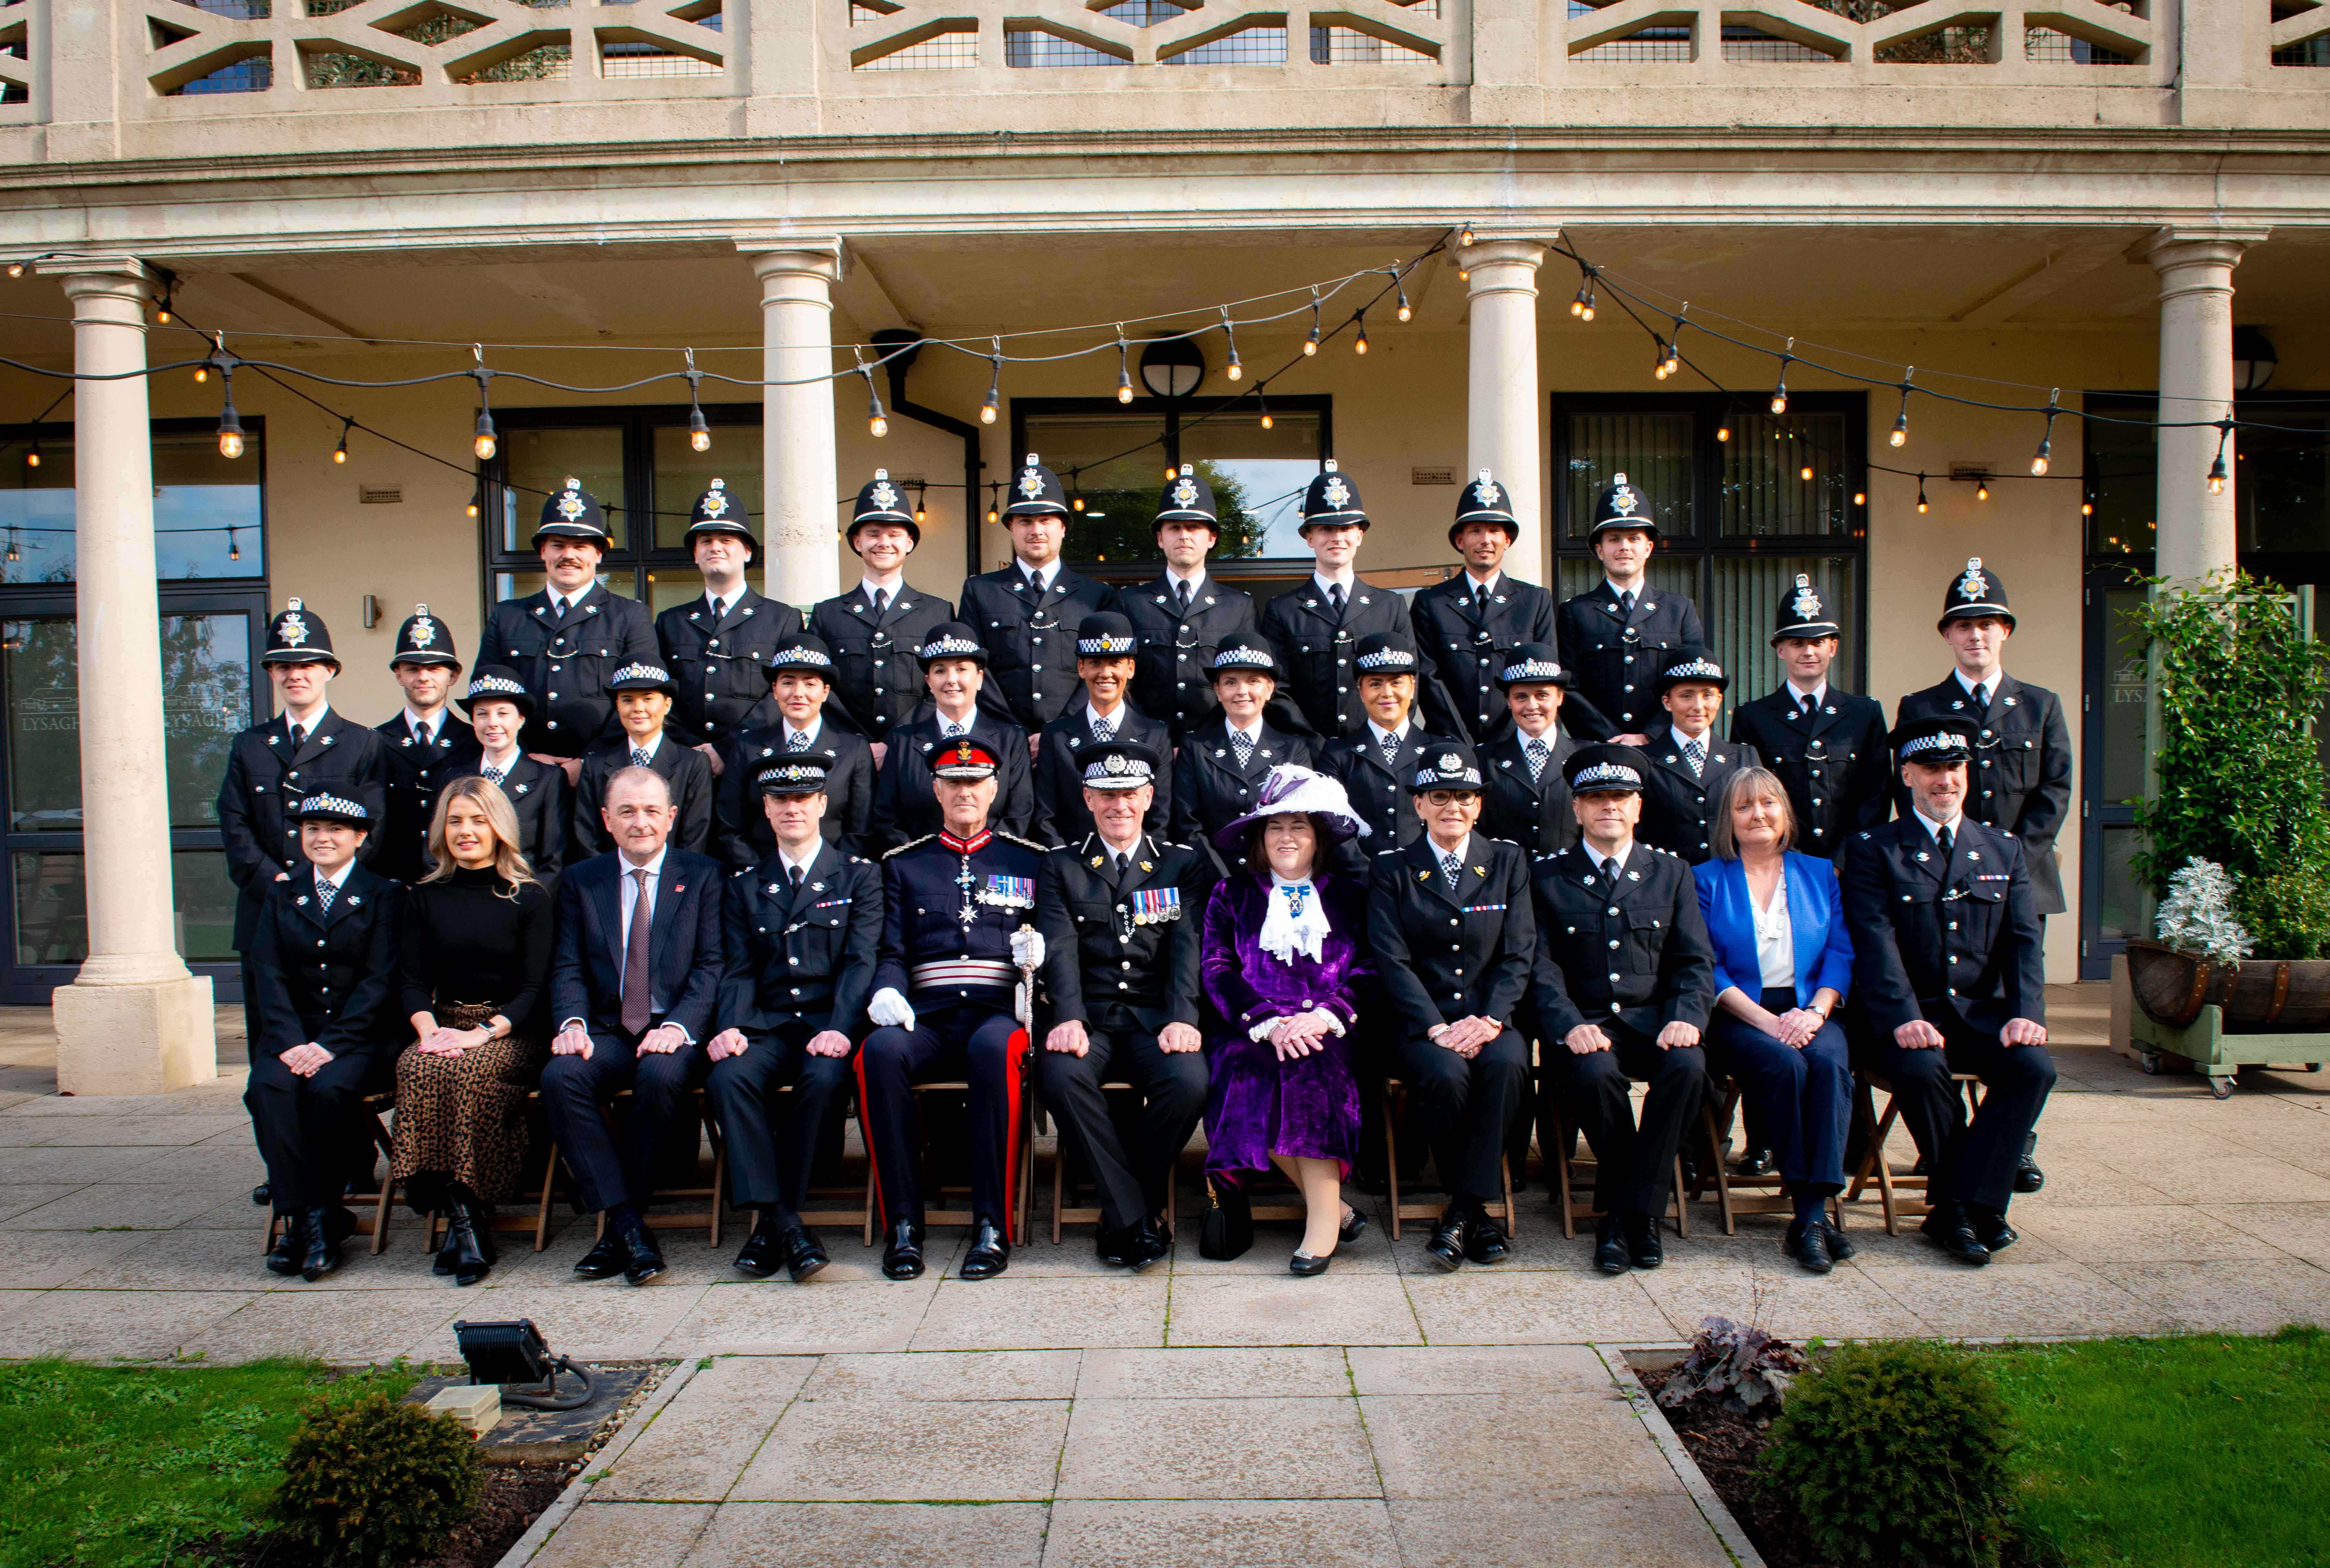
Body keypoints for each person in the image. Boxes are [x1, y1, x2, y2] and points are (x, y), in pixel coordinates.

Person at [1843, 717, 2053, 1267]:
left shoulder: (2002, 849)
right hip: (1902, 1018)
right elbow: (1875, 943)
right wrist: (1904, 1018)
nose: (1945, 781)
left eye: (1954, 768)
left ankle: (1958, 1206)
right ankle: (1974, 1210)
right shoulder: (1875, 849)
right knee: (1920, 1068)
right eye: (1932, 769)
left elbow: (2023, 942)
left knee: (2035, 1068)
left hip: (1982, 1018)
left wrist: (2025, 1012)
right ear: (1908, 774)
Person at [1892, 558, 2067, 1195]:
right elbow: (1905, 791)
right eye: (1964, 625)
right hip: (1934, 886)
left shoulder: (2041, 705)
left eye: (1988, 624)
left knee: (2014, 1018)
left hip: (2017, 886)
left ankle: (2012, 1143)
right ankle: (1962, 1142)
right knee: (1946, 1005)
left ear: (2005, 632)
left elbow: (2055, 790)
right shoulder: (1923, 705)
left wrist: (2005, 862)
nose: (1976, 635)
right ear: (1948, 635)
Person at [858, 738, 1047, 1282]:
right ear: (937, 791)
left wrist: (1042, 958)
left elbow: (1052, 934)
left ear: (994, 789)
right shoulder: (905, 864)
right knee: (879, 1052)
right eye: (954, 783)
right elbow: (891, 950)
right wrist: (887, 990)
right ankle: (903, 1226)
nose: (966, 792)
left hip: (997, 1012)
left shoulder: (1027, 859)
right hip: (928, 1017)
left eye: (976, 783)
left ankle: (992, 1226)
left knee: (995, 1050)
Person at [1529, 743, 1715, 1275]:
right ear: (1577, 809)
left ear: (1638, 806)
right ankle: (1629, 1213)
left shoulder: (1672, 873)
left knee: (1689, 1067)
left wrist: (1687, 1016)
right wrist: (1568, 1025)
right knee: (1593, 1075)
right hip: (1588, 1026)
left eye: (1620, 796)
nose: (1609, 806)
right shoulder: (1548, 877)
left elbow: (1693, 961)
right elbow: (1541, 967)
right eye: (1596, 797)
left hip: (1654, 1023)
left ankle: (1630, 1209)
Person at [541, 766, 725, 1287]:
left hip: (673, 1026)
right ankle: (628, 1224)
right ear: (606, 820)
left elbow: (713, 964)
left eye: (650, 810)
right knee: (561, 1076)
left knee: (661, 1076)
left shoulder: (705, 874)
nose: (639, 822)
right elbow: (568, 965)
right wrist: (572, 1022)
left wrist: (683, 1027)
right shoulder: (582, 880)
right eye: (626, 811)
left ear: (671, 817)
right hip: (608, 1026)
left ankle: (620, 1227)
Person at [1033, 741, 1207, 1271]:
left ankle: (1122, 1209)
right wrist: (1067, 1015)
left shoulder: (1181, 863)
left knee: (1190, 1082)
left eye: (1130, 794)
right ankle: (1137, 1215)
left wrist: (1183, 1015)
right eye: (1107, 795)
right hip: (1092, 1019)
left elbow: (1188, 947)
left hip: (1158, 1017)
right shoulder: (1061, 866)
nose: (1119, 805)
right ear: (1088, 798)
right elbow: (1058, 947)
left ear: (1149, 797)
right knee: (1061, 1076)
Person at [707, 759, 882, 1284]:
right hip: (768, 1025)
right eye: (781, 800)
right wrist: (732, 1024)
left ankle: (768, 1229)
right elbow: (738, 969)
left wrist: (843, 1028)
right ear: (766, 809)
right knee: (727, 1077)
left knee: (825, 1078)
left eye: (803, 799)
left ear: (823, 805)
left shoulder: (859, 875)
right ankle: (788, 1224)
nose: (792, 808)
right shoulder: (744, 885)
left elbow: (861, 963)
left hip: (829, 1025)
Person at [1365, 744, 1535, 1271]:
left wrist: (1488, 1019)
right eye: (1440, 796)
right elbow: (1391, 960)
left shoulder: (1508, 861)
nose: (1452, 807)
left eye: (1464, 796)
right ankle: (1478, 1217)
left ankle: (1464, 1211)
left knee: (1508, 1064)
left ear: (1479, 805)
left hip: (1489, 1015)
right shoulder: (1392, 869)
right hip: (1420, 1025)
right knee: (1446, 1076)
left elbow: (1520, 952)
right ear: (1419, 804)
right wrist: (1437, 1027)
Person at [1200, 765, 1375, 1275]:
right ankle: (1336, 1209)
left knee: (1315, 1069)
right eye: (1275, 826)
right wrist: (1268, 1022)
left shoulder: (1350, 896)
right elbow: (1217, 968)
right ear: (1259, 837)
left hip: (1331, 1027)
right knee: (1245, 1072)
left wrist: (1324, 1017)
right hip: (1250, 1027)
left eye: (1299, 825)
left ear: (1318, 837)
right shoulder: (1229, 895)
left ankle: (1322, 1225)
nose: (1287, 836)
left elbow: (1368, 967)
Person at [1691, 768, 1857, 1274]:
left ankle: (1809, 1213)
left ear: (1785, 813)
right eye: (1744, 807)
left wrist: (1816, 1012)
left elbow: (1839, 952)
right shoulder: (1706, 878)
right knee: (1786, 1066)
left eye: (1767, 803)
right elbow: (1707, 965)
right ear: (1729, 819)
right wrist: (1766, 1021)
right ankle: (1813, 1216)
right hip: (1738, 1012)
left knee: (1830, 1064)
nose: (1757, 814)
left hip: (1809, 1007)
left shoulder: (1819, 872)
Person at [390, 777, 554, 1286]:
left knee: (470, 1074)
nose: (466, 831)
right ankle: (466, 1221)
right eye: (456, 820)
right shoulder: (423, 897)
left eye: (478, 820)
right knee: (415, 1066)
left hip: (511, 1029)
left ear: (499, 826)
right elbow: (412, 983)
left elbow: (535, 989)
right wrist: (430, 1033)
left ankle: (464, 1216)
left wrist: (481, 1034)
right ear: (442, 828)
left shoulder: (528, 897)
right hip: (443, 1024)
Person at [245, 791, 405, 1282]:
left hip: (361, 1040)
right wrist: (292, 1041)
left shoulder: (384, 894)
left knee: (329, 1089)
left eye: (336, 829)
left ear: (360, 838)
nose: (323, 838)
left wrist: (329, 1045)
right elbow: (267, 973)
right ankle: (312, 1218)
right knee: (268, 1088)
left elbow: (381, 980)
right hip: (293, 1037)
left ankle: (315, 1217)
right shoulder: (283, 891)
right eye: (313, 828)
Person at [219, 599, 387, 1035]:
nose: (295, 674)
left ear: (330, 670)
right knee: (271, 1037)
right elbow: (235, 823)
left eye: (308, 664)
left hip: (341, 915)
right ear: (271, 674)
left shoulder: (362, 744)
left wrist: (323, 884)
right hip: (265, 910)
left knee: (337, 1040)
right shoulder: (248, 745)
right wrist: (277, 883)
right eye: (283, 666)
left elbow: (374, 825)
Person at [1259, 461, 1460, 741]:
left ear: (1360, 535)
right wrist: (1310, 744)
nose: (1337, 537)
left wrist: (1384, 740)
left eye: (1346, 528)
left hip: (1376, 753)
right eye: (1326, 529)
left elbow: (1410, 683)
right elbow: (1276, 689)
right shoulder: (1283, 610)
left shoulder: (1390, 606)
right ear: (1309, 538)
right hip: (1310, 756)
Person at [473, 478, 659, 774]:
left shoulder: (630, 616)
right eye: (558, 545)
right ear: (543, 552)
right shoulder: (507, 616)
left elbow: (642, 698)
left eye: (580, 546)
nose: (568, 555)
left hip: (604, 771)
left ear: (598, 554)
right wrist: (524, 756)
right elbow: (488, 696)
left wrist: (588, 762)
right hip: (525, 770)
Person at [1730, 574, 1890, 863]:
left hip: (1854, 867)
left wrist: (1843, 862)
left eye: (1817, 642)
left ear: (1833, 647)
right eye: (1797, 643)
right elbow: (1750, 799)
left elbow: (1876, 798)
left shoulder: (1865, 714)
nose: (1808, 652)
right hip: (1779, 865)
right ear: (1780, 650)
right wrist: (1788, 860)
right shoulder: (1753, 717)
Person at [958, 454, 1118, 741]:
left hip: (1077, 737)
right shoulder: (980, 591)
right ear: (1011, 527)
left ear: (1063, 527)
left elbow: (1104, 671)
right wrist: (1012, 732)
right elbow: (973, 669)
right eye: (1025, 521)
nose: (1036, 531)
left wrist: (1061, 730)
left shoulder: (1097, 595)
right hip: (1001, 738)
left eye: (1046, 520)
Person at [654, 478, 804, 765]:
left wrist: (726, 748)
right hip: (684, 762)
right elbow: (660, 695)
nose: (716, 547)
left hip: (754, 760)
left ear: (748, 551)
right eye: (706, 541)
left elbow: (785, 695)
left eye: (727, 540)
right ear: (695, 554)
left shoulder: (783, 619)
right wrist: (690, 751)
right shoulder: (670, 622)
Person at [808, 470, 955, 763]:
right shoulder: (828, 613)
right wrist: (859, 745)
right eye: (873, 534)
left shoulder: (937, 612)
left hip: (915, 750)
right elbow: (817, 684)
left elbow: (943, 687)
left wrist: (895, 742)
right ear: (857, 542)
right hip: (844, 752)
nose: (883, 542)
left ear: (910, 543)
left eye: (894, 535)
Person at [1409, 470, 1564, 746]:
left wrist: (1507, 740)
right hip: (1450, 743)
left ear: (1508, 540)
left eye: (1495, 531)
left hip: (1517, 743)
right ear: (1460, 541)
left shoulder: (1535, 601)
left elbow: (1546, 676)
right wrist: (1460, 740)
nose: (1486, 540)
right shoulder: (1430, 603)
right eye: (1476, 531)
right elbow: (1428, 679)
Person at [1555, 473, 1704, 743]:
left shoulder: (1679, 610)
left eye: (1634, 538)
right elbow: (1567, 689)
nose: (1624, 547)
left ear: (1648, 548)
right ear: (1599, 550)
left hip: (1663, 749)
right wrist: (1613, 739)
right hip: (1599, 749)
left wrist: (1649, 735)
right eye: (1614, 539)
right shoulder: (1576, 612)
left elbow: (1693, 681)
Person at [711, 633, 876, 868]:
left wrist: (829, 875)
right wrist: (761, 876)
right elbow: (730, 828)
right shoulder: (747, 748)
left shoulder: (854, 750)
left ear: (826, 692)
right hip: (760, 882)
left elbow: (860, 830)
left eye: (810, 683)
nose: (798, 693)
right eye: (788, 682)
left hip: (833, 880)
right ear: (775, 690)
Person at [1121, 464, 1260, 740]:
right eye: (1175, 527)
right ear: (1160, 538)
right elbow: (1121, 684)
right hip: (1145, 744)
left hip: (1215, 747)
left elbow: (1249, 684)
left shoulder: (1239, 606)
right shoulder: (1130, 602)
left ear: (1211, 538)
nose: (1184, 535)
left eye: (1194, 527)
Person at [867, 623, 1035, 851]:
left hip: (992, 869)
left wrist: (984, 858)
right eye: (940, 671)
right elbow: (886, 816)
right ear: (928, 682)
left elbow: (1020, 813)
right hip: (919, 872)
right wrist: (917, 860)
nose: (951, 679)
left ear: (979, 678)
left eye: (961, 669)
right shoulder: (903, 740)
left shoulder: (1011, 739)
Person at [1171, 636, 1319, 880]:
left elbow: (1298, 825)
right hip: (1212, 885)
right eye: (1231, 682)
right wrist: (1225, 883)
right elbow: (1189, 827)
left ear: (1270, 689)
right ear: (1218, 691)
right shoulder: (1194, 748)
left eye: (1253, 681)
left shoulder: (1294, 749)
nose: (1242, 691)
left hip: (1276, 884)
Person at [1033, 612, 1173, 847]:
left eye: (1115, 663)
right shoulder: (1056, 735)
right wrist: (1066, 867)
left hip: (1137, 871)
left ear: (1130, 668)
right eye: (1095, 663)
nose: (1105, 673)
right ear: (1081, 668)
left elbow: (1161, 817)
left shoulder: (1156, 735)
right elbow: (1045, 816)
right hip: (1072, 867)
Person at [1319, 634, 1458, 866]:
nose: (1387, 693)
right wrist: (1370, 873)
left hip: (1429, 879)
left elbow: (1453, 822)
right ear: (1361, 691)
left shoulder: (1441, 752)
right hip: (1361, 883)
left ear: (1413, 688)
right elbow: (1332, 823)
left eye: (1397, 682)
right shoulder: (1337, 754)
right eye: (1375, 684)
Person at [373, 604, 479, 885]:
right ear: (398, 675)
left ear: (453, 676)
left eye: (434, 668)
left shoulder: (475, 742)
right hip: (393, 885)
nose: (423, 677)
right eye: (413, 669)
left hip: (457, 884)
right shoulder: (375, 742)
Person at [571, 662, 714, 859]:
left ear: (667, 705)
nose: (638, 708)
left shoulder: (692, 763)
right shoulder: (595, 765)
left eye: (648, 699)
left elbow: (695, 838)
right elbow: (587, 837)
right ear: (618, 707)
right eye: (628, 700)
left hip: (675, 879)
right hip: (609, 880)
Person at [1638, 649, 1760, 866]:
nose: (1698, 706)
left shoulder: (1744, 757)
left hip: (1731, 882)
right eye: (1686, 695)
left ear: (1720, 700)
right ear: (1667, 702)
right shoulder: (1645, 761)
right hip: (1669, 885)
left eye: (1708, 695)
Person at [447, 666, 566, 886]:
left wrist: (530, 907)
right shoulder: (454, 780)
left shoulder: (547, 779)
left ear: (521, 719)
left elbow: (553, 861)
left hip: (524, 900)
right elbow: (439, 851)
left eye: (503, 713)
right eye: (482, 714)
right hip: (465, 900)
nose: (493, 723)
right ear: (473, 721)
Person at [1481, 643, 1581, 857]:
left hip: (1567, 883)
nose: (1532, 706)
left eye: (1542, 695)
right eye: (1521, 697)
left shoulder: (1583, 758)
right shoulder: (1484, 759)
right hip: (1505, 883)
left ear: (1560, 698)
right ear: (1508, 701)